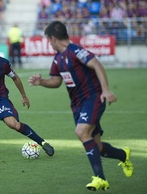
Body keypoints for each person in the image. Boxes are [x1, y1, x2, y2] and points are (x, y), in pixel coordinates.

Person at [28, 21, 133, 191]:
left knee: (81, 132)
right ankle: (123, 155)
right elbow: (56, 82)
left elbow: (97, 64)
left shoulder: (75, 51)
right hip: (77, 105)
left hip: (93, 98)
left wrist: (105, 90)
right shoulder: (57, 59)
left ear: (54, 38)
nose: (49, 44)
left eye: (49, 40)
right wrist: (42, 82)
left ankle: (100, 179)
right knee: (97, 148)